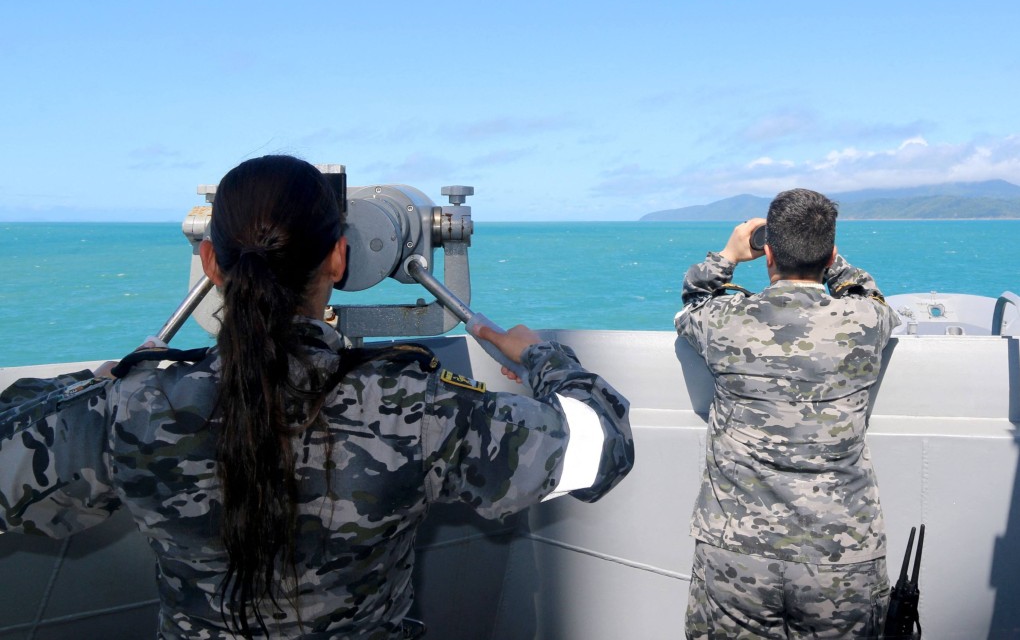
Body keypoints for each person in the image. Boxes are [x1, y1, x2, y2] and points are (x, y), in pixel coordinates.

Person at [0, 155, 633, 639]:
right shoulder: (414, 410)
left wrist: (114, 378)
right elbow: (600, 445)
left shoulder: (133, 408)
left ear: (211, 263)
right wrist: (542, 358)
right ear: (338, 257)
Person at [674, 188, 900, 639]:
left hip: (737, 551)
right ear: (831, 253)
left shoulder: (723, 321)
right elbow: (869, 293)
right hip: (842, 555)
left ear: (768, 253)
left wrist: (729, 254)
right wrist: (832, 260)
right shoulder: (865, 322)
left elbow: (695, 296)